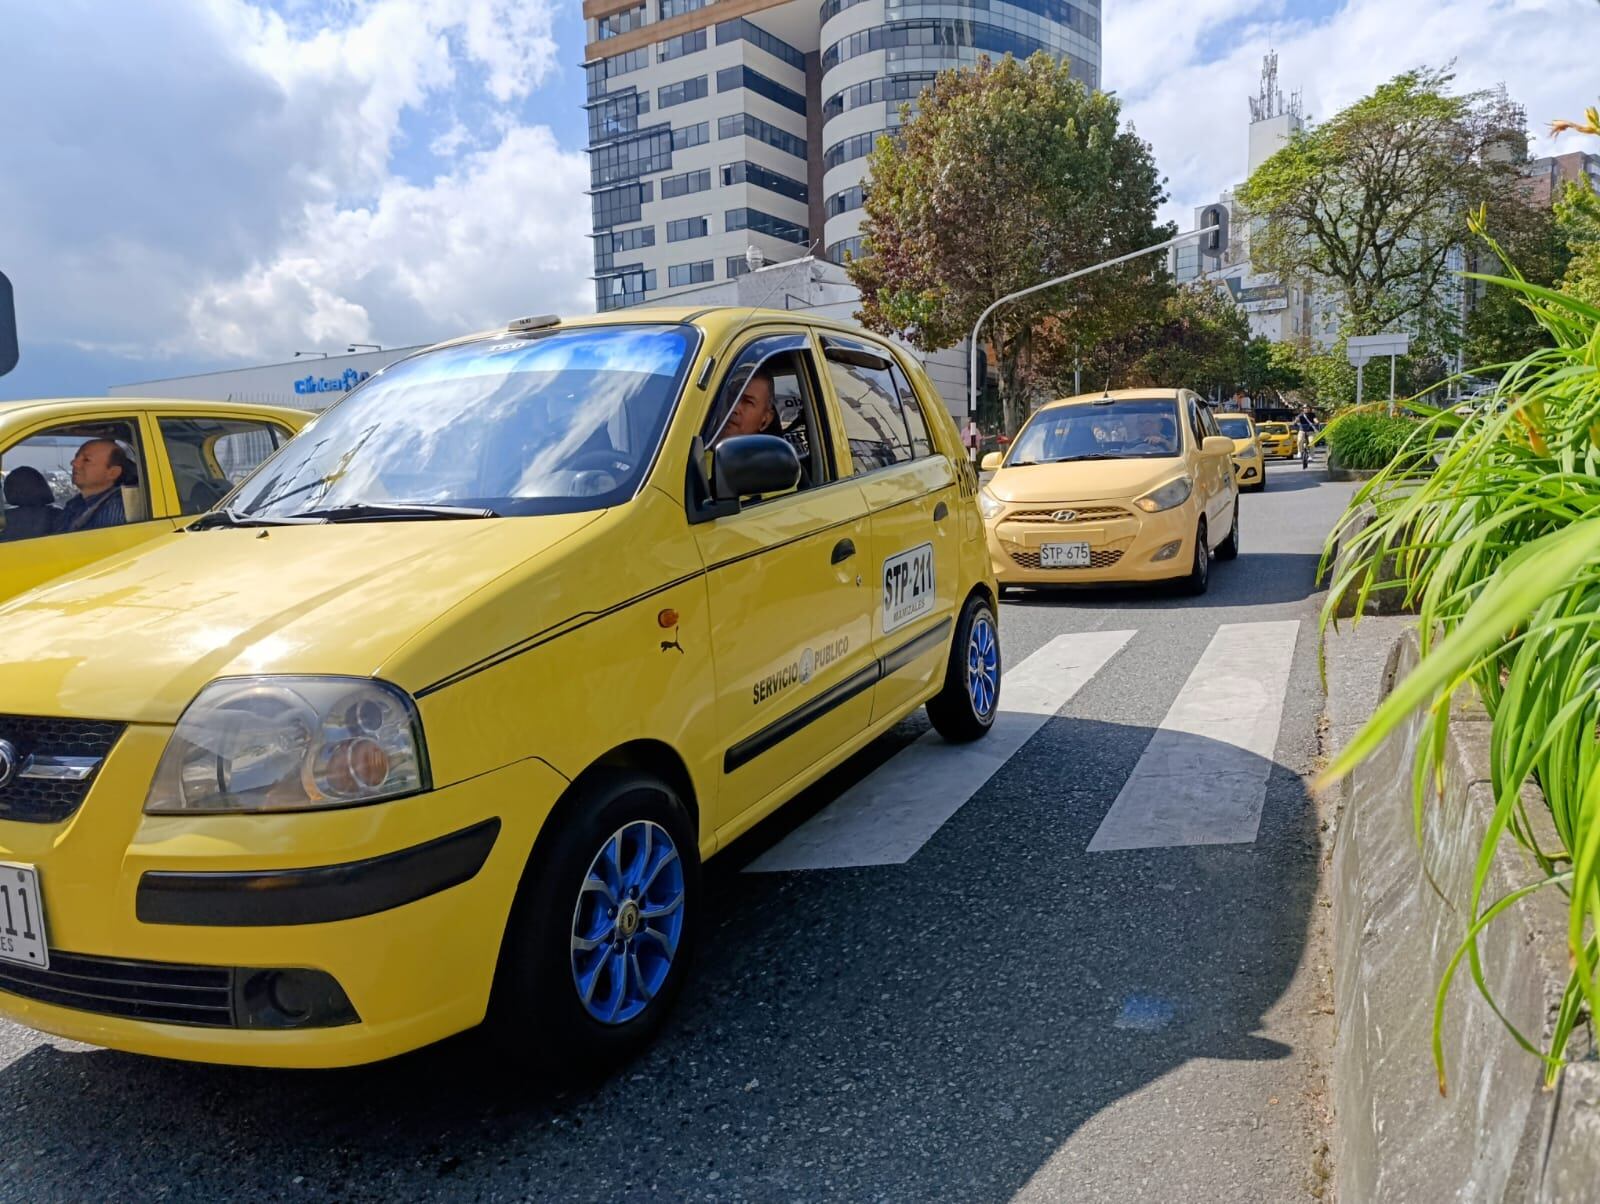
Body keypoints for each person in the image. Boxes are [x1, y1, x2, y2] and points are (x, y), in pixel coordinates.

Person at [57, 439, 131, 532]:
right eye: (76, 457)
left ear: (113, 472)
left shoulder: (114, 508)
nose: (74, 463)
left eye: (86, 460)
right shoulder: (76, 503)